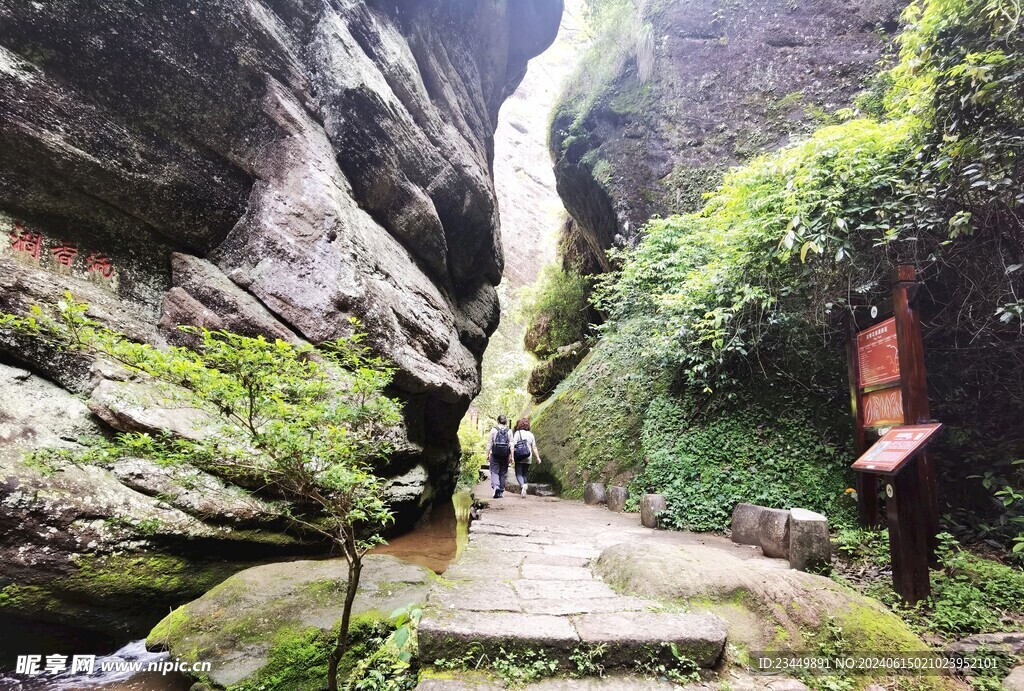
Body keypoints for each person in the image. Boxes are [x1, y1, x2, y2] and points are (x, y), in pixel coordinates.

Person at [511, 418, 541, 498]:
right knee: (524, 474)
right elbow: (534, 447)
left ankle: (523, 485)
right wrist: (538, 457)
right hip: (528, 456)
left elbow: (513, 445)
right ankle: (524, 490)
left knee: (518, 474)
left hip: (519, 456)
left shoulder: (517, 433)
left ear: (520, 425)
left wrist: (512, 457)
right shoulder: (531, 434)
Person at [486, 415, 513, 498]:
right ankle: (501, 491)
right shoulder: (509, 431)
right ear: (505, 421)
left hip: (495, 454)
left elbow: (489, 443)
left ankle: (496, 486)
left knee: (494, 471)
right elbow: (511, 445)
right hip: (505, 455)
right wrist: (512, 457)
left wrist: (487, 454)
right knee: (503, 473)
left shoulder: (494, 430)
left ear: (498, 421)